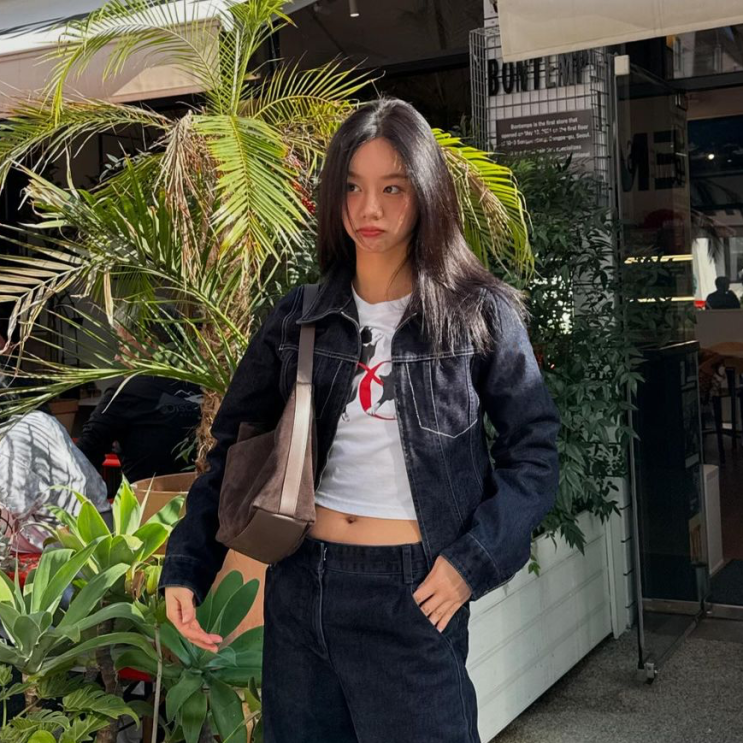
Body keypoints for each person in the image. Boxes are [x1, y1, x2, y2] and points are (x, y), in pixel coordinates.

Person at [159, 97, 561, 742]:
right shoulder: (301, 316)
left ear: (426, 192)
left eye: (392, 188)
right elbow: (234, 445)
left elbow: (534, 451)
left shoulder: (477, 314)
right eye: (352, 187)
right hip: (301, 585)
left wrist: (471, 562)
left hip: (411, 592)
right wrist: (188, 564)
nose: (369, 209)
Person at [76, 315, 202, 484]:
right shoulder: (207, 387)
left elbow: (84, 454)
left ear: (149, 342)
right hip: (206, 496)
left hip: (148, 498)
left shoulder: (127, 391)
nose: (117, 357)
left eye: (122, 345)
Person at [0, 410, 110, 552]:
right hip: (101, 518)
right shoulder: (38, 417)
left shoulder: (8, 445)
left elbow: (13, 510)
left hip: (67, 536)